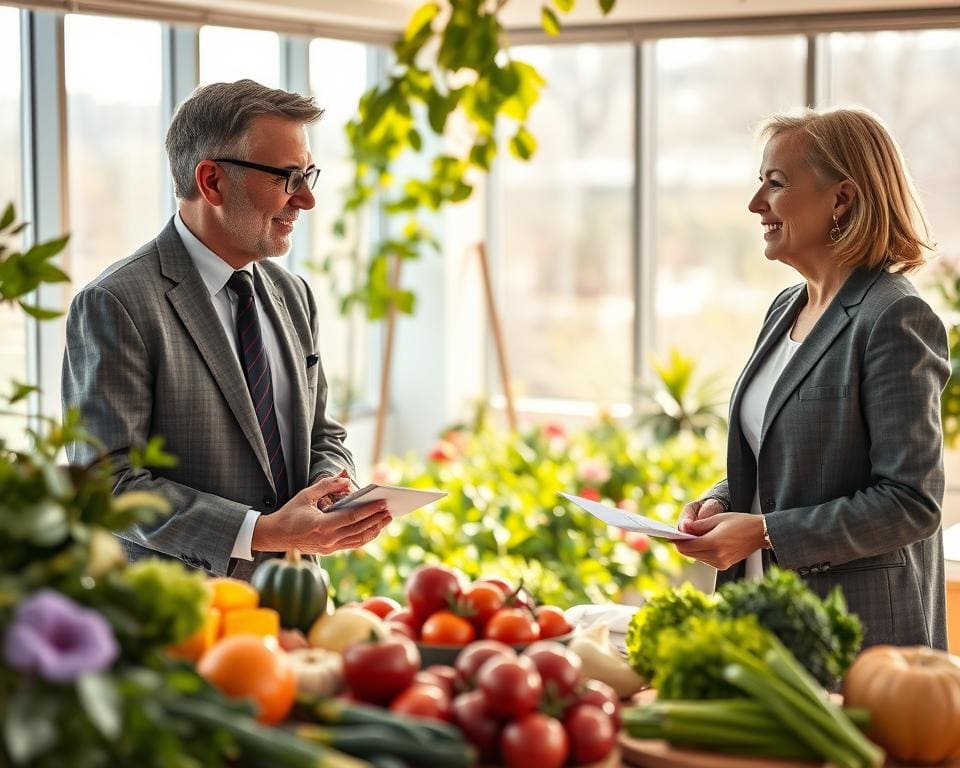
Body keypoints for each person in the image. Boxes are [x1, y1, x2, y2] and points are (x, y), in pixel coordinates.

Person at [62, 79, 391, 580]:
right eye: (286, 177)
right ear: (212, 181)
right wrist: (261, 532)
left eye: (308, 175)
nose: (305, 200)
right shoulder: (117, 303)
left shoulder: (294, 294)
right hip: (179, 619)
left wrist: (332, 489)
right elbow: (107, 483)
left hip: (298, 602)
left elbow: (323, 432)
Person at [675, 107, 950, 649]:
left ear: (841, 200)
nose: (756, 205)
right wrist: (722, 501)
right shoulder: (785, 308)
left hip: (856, 637)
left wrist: (766, 533)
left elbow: (912, 502)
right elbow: (782, 457)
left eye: (775, 185)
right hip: (760, 619)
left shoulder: (893, 317)